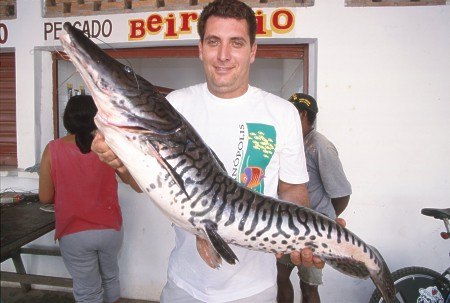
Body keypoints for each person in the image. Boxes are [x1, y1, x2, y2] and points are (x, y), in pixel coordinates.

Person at [92, 1, 325, 302]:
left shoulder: (282, 113)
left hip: (255, 290)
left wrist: (308, 234)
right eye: (214, 42)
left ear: (252, 50)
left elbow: (293, 190)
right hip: (185, 286)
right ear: (200, 48)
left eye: (236, 43)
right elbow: (147, 182)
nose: (224, 55)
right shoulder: (176, 106)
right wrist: (121, 166)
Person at [39, 95, 124, 303]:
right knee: (111, 278)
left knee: (88, 291)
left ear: (67, 119)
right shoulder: (109, 146)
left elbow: (45, 197)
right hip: (110, 229)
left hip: (74, 232)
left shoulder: (53, 149)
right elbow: (128, 176)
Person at [276, 93, 352, 303]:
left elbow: (342, 193)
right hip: (287, 229)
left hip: (313, 233)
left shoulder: (320, 146)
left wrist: (324, 221)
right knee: (281, 279)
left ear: (301, 115)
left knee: (309, 286)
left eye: (288, 114)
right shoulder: (289, 144)